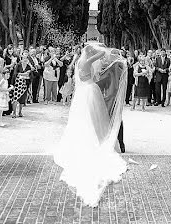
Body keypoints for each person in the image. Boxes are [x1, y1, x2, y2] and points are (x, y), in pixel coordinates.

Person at [53, 42, 128, 206]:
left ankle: (92, 138)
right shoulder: (86, 61)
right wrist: (109, 51)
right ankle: (97, 141)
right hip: (90, 91)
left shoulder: (80, 61)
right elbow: (100, 56)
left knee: (85, 118)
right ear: (88, 53)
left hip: (84, 92)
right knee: (94, 117)